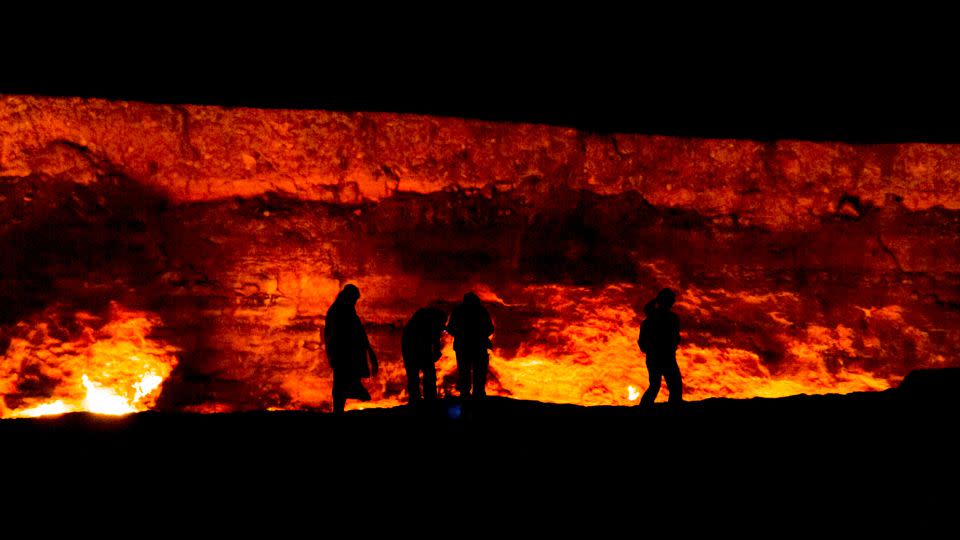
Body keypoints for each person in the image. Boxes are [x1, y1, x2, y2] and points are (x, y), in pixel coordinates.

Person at [323, 284, 378, 413]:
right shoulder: (339, 311)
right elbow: (338, 334)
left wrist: (368, 350)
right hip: (342, 355)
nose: (355, 302)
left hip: (344, 355)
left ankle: (341, 406)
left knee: (341, 385)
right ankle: (340, 407)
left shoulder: (345, 309)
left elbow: (358, 332)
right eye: (354, 299)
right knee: (340, 386)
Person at [638, 288, 683, 406]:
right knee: (674, 386)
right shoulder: (671, 318)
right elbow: (675, 337)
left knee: (655, 385)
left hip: (654, 357)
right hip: (666, 357)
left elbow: (643, 342)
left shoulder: (651, 318)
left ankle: (644, 408)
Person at [446, 292, 494, 399]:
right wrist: (481, 336)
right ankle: (476, 395)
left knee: (466, 371)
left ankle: (468, 395)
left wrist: (459, 335)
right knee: (477, 371)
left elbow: (449, 328)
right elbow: (491, 328)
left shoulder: (459, 310)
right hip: (476, 346)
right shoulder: (481, 311)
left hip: (465, 346)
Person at [401, 307, 447, 403]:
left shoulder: (422, 316)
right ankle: (430, 399)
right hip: (417, 344)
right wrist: (436, 350)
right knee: (428, 372)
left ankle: (415, 399)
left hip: (408, 344)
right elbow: (435, 334)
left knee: (413, 374)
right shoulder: (432, 321)